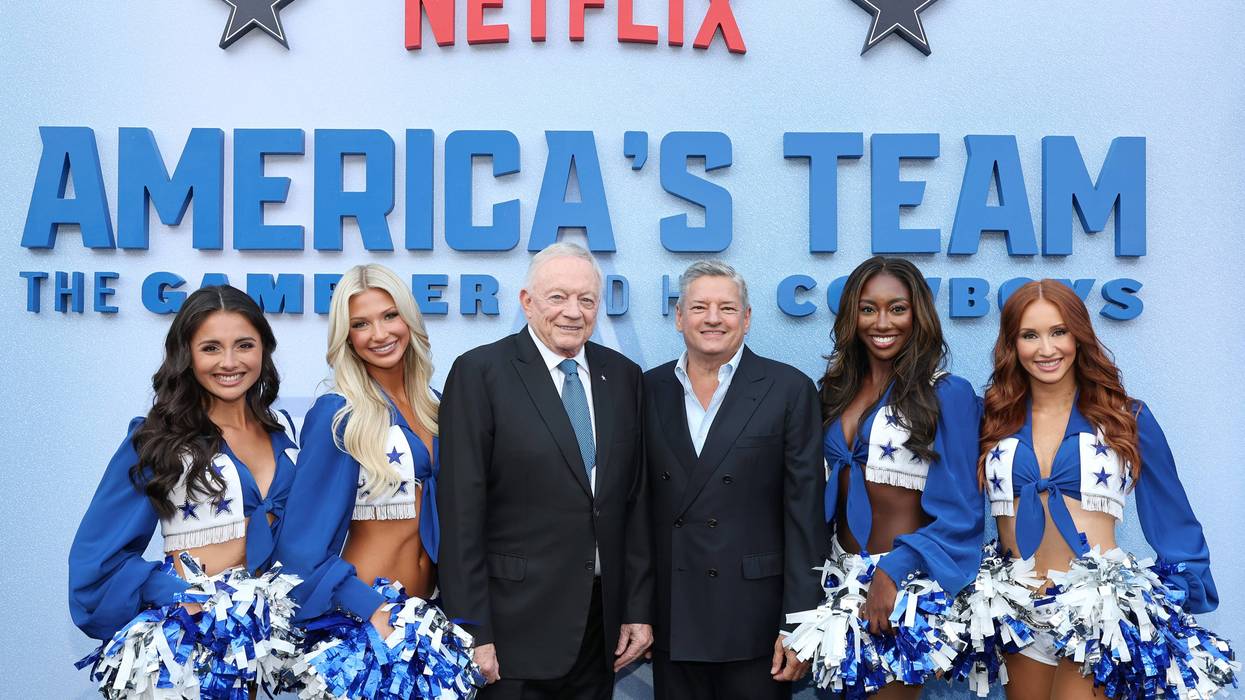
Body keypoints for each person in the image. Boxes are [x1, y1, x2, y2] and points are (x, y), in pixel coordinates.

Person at [968, 279, 1235, 699]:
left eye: (1059, 332)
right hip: (1017, 611)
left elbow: (1171, 514)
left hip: (1096, 610)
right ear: (1011, 344)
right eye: (1030, 335)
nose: (1046, 348)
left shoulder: (1124, 417)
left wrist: (1179, 589)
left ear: (1079, 336)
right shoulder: (990, 419)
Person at [439, 242, 653, 699]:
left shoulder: (624, 376)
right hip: (512, 630)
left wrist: (636, 608)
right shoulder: (480, 373)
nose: (573, 312)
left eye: (586, 299)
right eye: (557, 297)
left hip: (599, 629)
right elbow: (460, 515)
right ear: (527, 301)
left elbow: (633, 503)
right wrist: (473, 631)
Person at [69, 285, 301, 699]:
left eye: (244, 345)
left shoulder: (286, 435)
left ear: (263, 350)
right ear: (187, 356)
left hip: (258, 657)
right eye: (211, 348)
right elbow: (95, 565)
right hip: (185, 660)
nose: (229, 362)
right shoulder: (158, 440)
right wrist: (190, 597)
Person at [274, 264, 478, 699]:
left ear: (409, 319)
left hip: (426, 620)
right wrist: (372, 610)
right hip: (364, 626)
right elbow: (300, 545)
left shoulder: (437, 407)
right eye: (360, 324)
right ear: (346, 337)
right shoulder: (338, 414)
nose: (379, 333)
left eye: (389, 316)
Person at [784, 256, 984, 699]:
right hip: (836, 583)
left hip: (902, 585)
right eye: (868, 308)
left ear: (919, 315)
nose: (882, 322)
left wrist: (892, 572)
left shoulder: (945, 393)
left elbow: (963, 512)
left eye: (898, 308)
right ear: (852, 315)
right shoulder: (834, 392)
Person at [643, 260, 825, 700]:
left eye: (726, 308)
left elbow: (805, 515)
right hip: (674, 615)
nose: (712, 318)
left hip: (756, 620)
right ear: (679, 317)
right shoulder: (646, 389)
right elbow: (634, 509)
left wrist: (799, 621)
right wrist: (637, 612)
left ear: (745, 319)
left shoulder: (788, 388)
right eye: (700, 306)